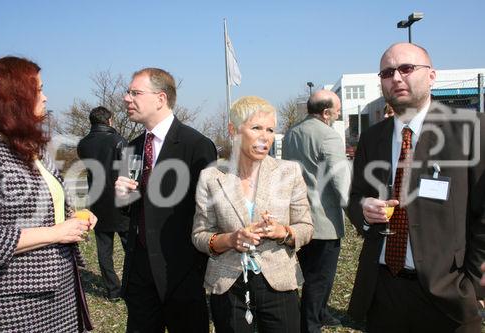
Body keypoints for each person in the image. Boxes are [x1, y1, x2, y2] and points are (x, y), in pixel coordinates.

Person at [347, 43, 485, 332]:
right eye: (387, 72)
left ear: (432, 76)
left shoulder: (471, 129)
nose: (396, 78)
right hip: (383, 292)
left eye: (406, 68)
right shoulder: (373, 138)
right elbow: (356, 196)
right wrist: (364, 209)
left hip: (447, 295)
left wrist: (471, 281)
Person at [0, 56, 97, 332]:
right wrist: (58, 233)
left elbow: (45, 210)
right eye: (38, 90)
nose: (46, 97)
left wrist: (74, 217)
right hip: (15, 301)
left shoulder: (34, 149)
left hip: (59, 291)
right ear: (13, 98)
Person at [192, 96, 314, 333]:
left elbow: (306, 227)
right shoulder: (212, 177)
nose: (265, 136)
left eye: (270, 130)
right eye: (256, 128)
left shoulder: (289, 172)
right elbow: (199, 235)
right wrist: (230, 240)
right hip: (229, 285)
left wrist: (283, 232)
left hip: (279, 282)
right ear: (233, 130)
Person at [114, 68, 217, 333]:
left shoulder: (197, 145)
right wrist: (122, 197)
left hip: (181, 273)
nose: (127, 98)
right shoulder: (131, 148)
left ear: (160, 98)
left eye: (135, 92)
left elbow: (208, 214)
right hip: (140, 273)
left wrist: (195, 271)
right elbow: (129, 211)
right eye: (128, 92)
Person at [282, 89, 351, 332]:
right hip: (324, 221)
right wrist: (358, 215)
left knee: (311, 273)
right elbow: (342, 181)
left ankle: (320, 313)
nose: (339, 112)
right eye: (338, 109)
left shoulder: (291, 133)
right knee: (319, 279)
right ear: (326, 112)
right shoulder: (329, 136)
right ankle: (310, 325)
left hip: (298, 217)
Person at [77, 106, 129, 301]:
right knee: (130, 249)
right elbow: (128, 173)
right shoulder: (119, 141)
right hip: (122, 202)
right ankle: (131, 287)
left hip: (97, 201)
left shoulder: (83, 144)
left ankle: (113, 290)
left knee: (104, 250)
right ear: (109, 121)